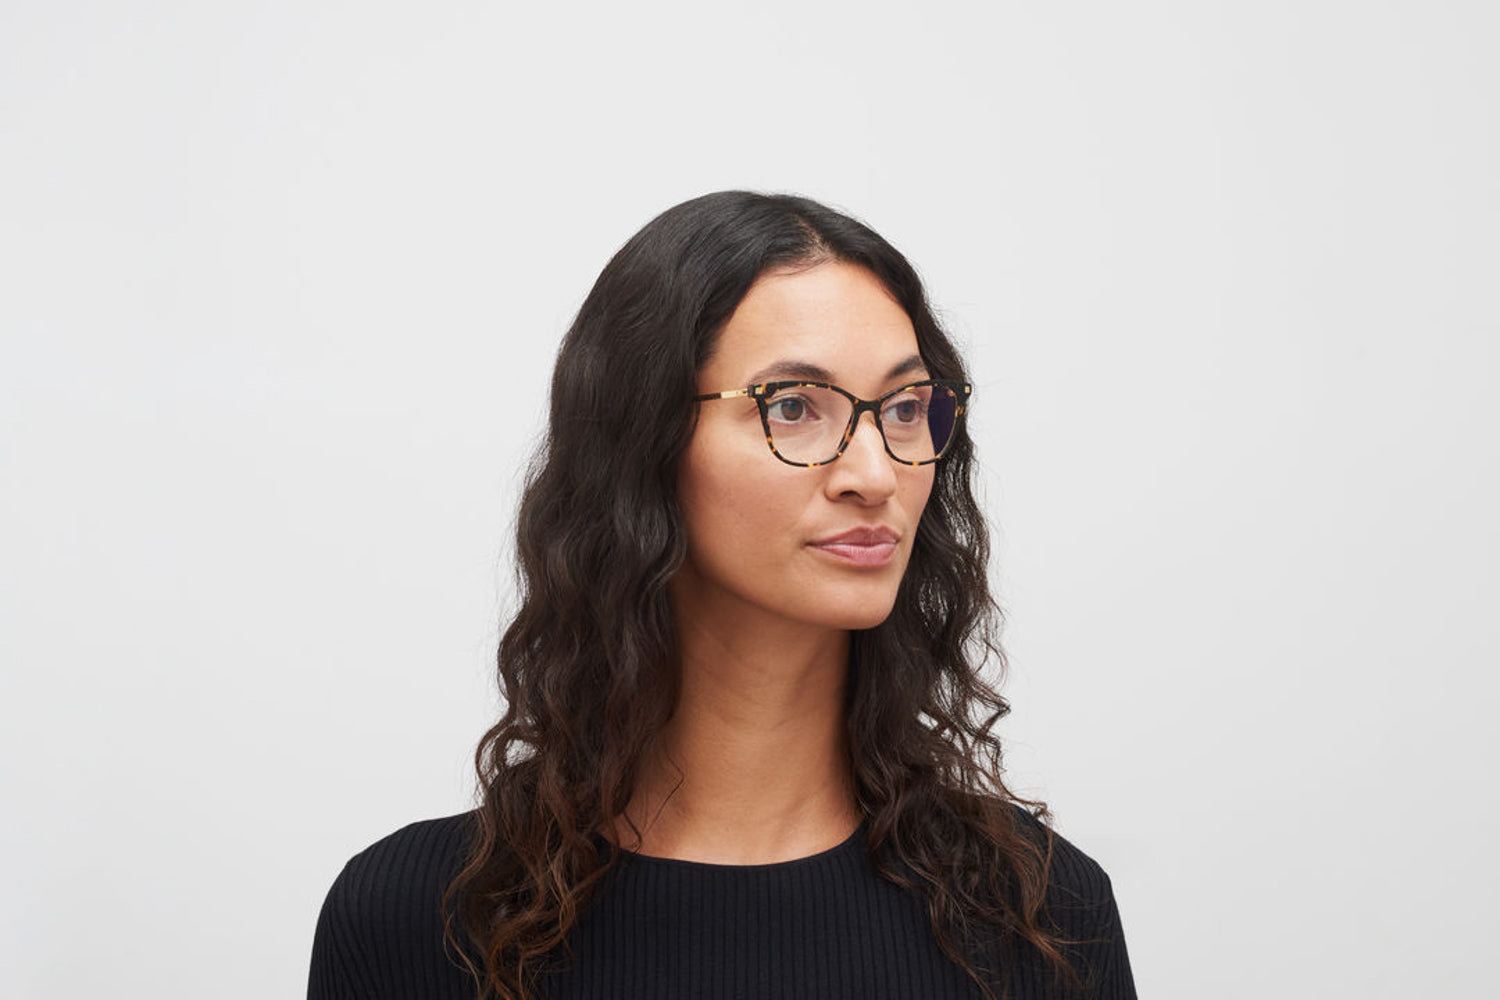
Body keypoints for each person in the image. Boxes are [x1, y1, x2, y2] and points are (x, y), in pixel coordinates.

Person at [307, 191, 1137, 1000]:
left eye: (906, 407)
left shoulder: (1044, 918)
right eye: (793, 406)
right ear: (644, 443)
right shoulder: (415, 923)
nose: (876, 473)